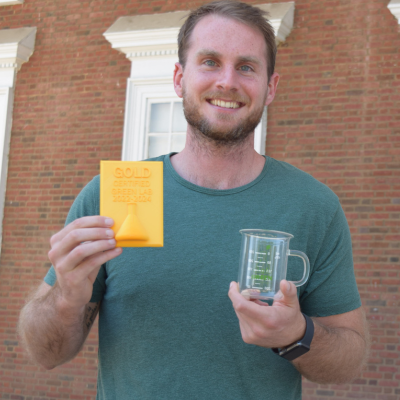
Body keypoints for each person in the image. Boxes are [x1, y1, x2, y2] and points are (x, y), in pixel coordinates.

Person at [19, 1, 369, 399]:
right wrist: (66, 298)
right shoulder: (113, 195)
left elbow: (349, 356)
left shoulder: (314, 206)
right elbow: (45, 354)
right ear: (178, 78)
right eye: (209, 61)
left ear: (270, 87)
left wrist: (297, 334)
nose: (227, 81)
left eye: (247, 67)